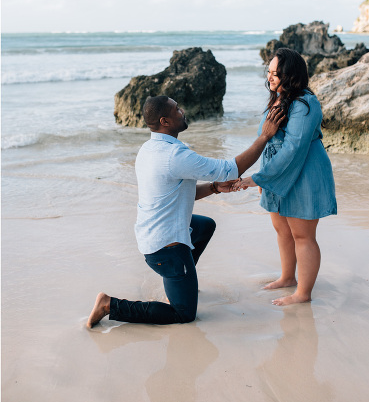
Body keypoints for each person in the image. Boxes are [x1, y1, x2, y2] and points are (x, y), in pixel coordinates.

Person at [86, 95, 285, 328]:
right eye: (176, 109)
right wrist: (265, 136)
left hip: (153, 235)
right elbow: (230, 168)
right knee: (183, 314)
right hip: (165, 249)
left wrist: (213, 188)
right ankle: (109, 304)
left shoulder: (149, 148)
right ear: (165, 121)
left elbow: (177, 191)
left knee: (205, 226)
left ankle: (182, 279)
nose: (182, 111)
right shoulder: (174, 156)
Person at [235, 48, 337, 306]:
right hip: (276, 173)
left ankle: (303, 293)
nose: (270, 78)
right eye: (268, 72)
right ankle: (287, 277)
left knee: (303, 235)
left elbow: (294, 148)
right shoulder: (279, 98)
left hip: (304, 172)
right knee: (282, 230)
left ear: (290, 75)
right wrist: (266, 179)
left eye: (275, 73)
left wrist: (259, 178)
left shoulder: (305, 103)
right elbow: (268, 140)